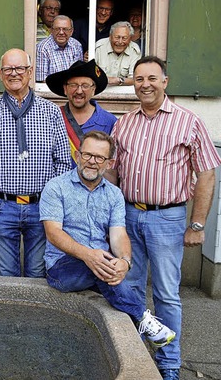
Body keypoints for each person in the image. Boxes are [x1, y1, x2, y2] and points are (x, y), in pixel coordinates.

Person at [108, 56, 221, 380]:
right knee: (127, 288)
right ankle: (130, 354)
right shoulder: (124, 123)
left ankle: (168, 365)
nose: (145, 84)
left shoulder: (188, 122)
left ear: (165, 82)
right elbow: (114, 173)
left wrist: (197, 225)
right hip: (128, 215)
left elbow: (207, 175)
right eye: (139, 78)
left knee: (166, 294)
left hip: (167, 219)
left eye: (152, 78)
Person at [39, 130, 176, 349]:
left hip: (102, 266)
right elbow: (53, 233)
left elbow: (119, 234)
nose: (92, 162)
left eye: (100, 158)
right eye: (87, 155)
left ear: (109, 163)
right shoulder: (56, 187)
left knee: (108, 271)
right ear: (78, 156)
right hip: (62, 270)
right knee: (102, 268)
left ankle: (138, 340)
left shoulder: (114, 194)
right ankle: (143, 317)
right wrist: (88, 255)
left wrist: (124, 261)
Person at [0, 48, 71, 278]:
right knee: (6, 276)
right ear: (0, 73)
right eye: (8, 69)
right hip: (2, 207)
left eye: (19, 68)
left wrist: (55, 202)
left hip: (41, 207)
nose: (14, 73)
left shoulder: (51, 112)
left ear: (30, 72)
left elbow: (64, 162)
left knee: (38, 273)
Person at [45, 59, 117, 167]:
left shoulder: (110, 122)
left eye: (85, 86)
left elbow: (112, 166)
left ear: (93, 89)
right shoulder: (51, 118)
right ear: (65, 89)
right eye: (73, 85)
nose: (79, 91)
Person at [35, 15, 83, 82]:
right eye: (57, 29)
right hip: (50, 91)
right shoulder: (43, 48)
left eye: (65, 29)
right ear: (51, 30)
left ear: (71, 31)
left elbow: (79, 74)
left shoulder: (76, 45)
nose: (61, 32)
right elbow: (41, 80)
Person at [95, 21, 142, 86]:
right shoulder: (99, 47)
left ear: (130, 39)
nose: (120, 42)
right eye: (117, 37)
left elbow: (135, 79)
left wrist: (119, 80)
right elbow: (91, 76)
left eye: (124, 38)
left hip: (125, 92)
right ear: (110, 37)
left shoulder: (134, 50)